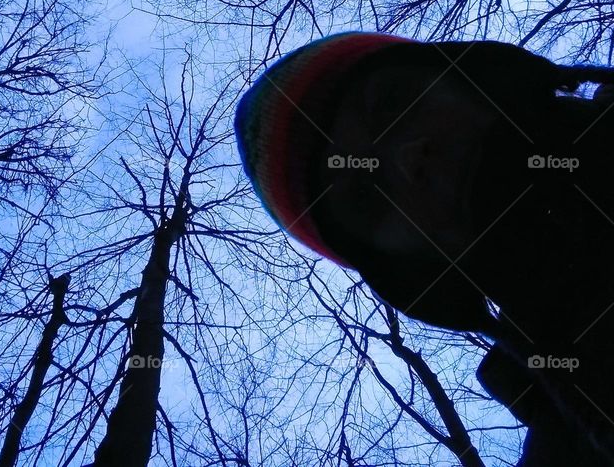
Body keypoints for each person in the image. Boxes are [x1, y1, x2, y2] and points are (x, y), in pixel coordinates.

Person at [235, 32, 614, 465]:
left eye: (393, 102)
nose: (408, 157)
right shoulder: (572, 446)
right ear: (402, 268)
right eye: (366, 198)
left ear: (464, 70)